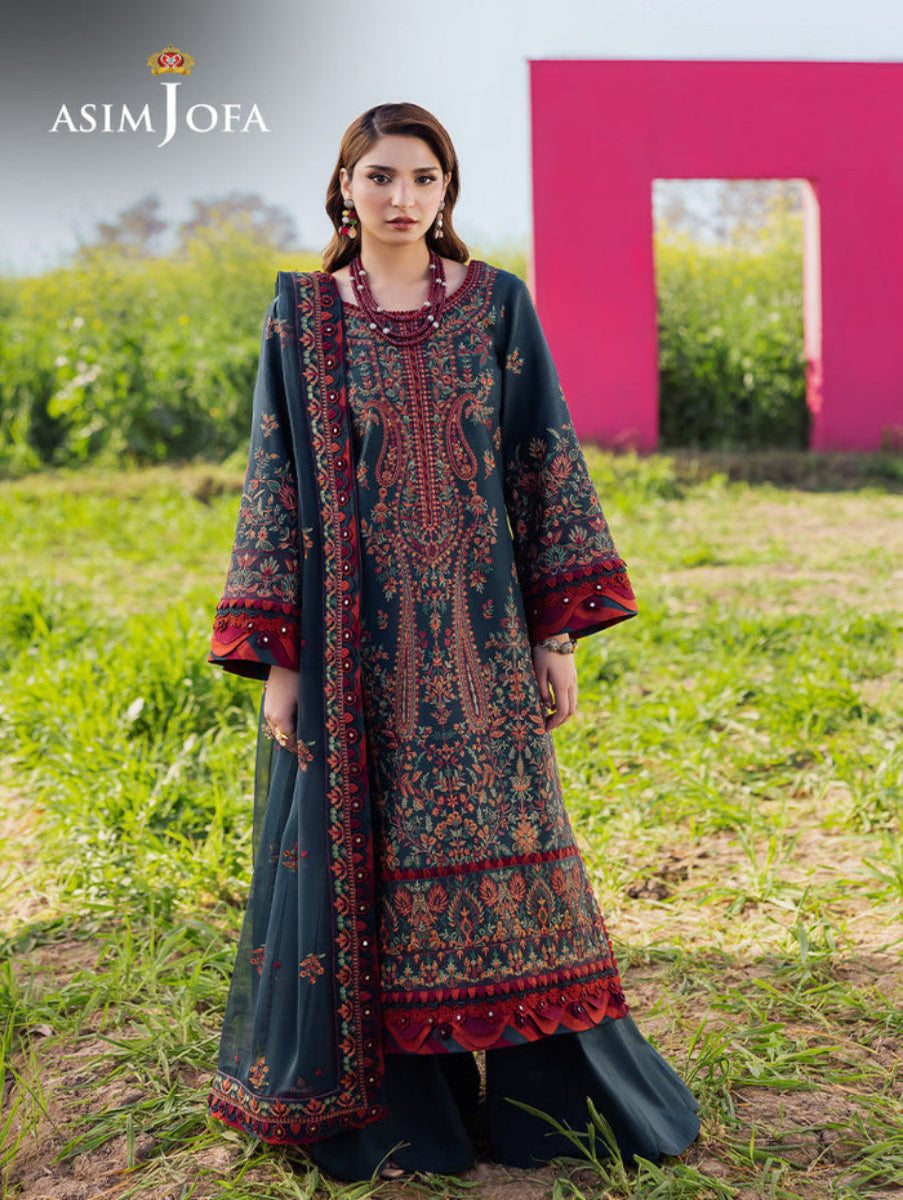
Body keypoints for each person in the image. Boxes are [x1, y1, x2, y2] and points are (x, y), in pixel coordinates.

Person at [206, 101, 700, 1182]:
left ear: (447, 192)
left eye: (423, 179)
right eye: (380, 177)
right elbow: (274, 487)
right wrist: (282, 661)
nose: (401, 198)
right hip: (353, 653)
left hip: (481, 635)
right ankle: (406, 1124)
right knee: (374, 873)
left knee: (518, 858)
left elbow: (544, 464)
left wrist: (555, 637)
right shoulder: (304, 318)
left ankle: (540, 1112)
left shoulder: (498, 309)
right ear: (344, 188)